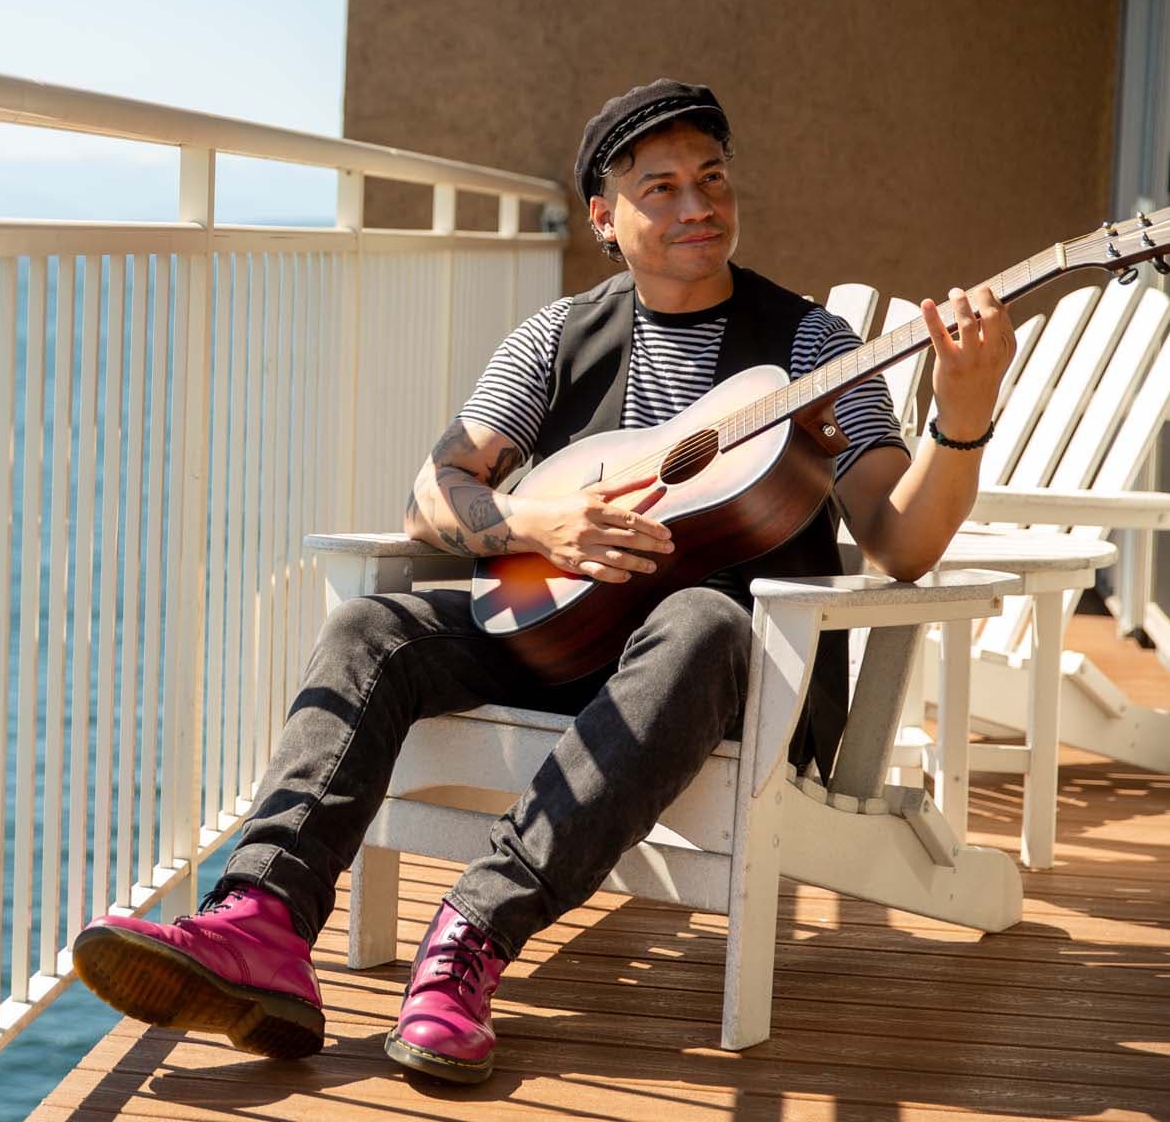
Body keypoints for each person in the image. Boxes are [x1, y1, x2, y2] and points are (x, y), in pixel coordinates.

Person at [70, 78, 1017, 1083]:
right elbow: (434, 493)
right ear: (607, 219)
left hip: (716, 674)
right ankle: (258, 918)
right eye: (662, 188)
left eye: (714, 178)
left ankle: (471, 935)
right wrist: (532, 521)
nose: (698, 205)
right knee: (368, 626)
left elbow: (899, 540)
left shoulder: (812, 347)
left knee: (698, 618)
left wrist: (962, 412)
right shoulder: (555, 335)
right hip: (555, 638)